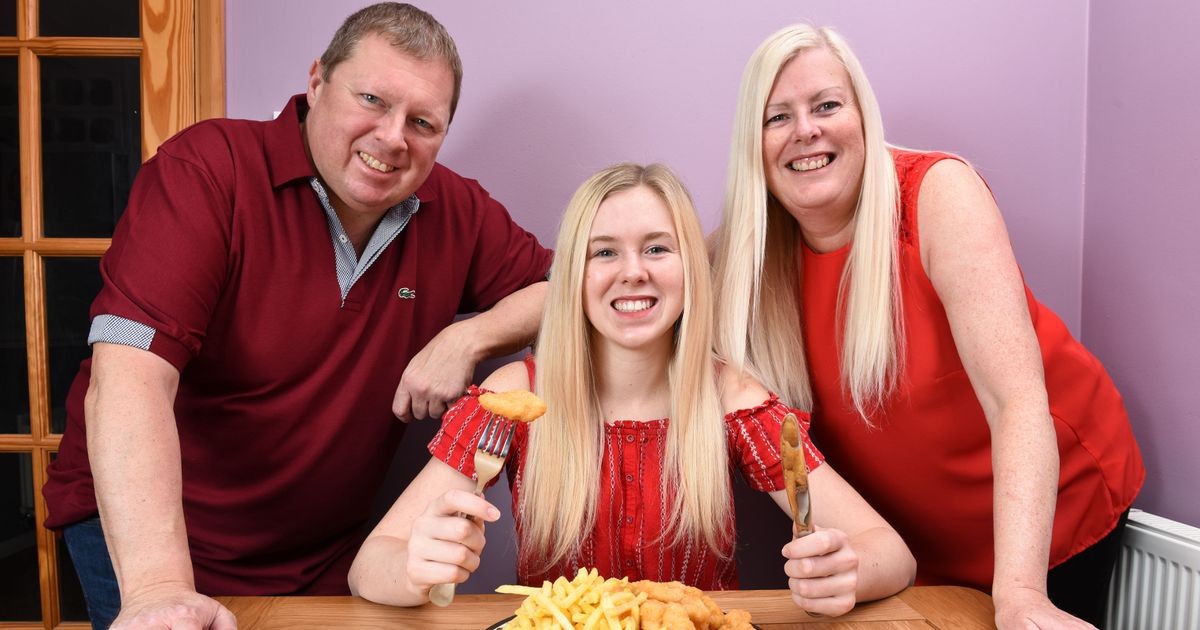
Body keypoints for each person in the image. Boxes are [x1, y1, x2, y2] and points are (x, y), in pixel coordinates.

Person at [41, 4, 553, 629]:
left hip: (320, 548)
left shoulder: (457, 208)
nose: (394, 137)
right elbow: (127, 380)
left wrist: (473, 334)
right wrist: (157, 588)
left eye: (423, 122)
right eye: (372, 98)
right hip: (157, 537)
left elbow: (572, 286)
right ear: (316, 82)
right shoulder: (208, 170)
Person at [710, 24, 1145, 630]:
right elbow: (630, 284)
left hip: (1049, 519)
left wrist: (1020, 594)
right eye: (777, 116)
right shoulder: (743, 256)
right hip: (915, 550)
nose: (805, 130)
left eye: (827, 105)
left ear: (863, 116)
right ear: (751, 144)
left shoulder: (939, 195)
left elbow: (1016, 402)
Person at [347, 162, 916, 615]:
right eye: (604, 252)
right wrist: (415, 567)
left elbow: (890, 552)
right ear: (573, 276)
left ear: (691, 269)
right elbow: (370, 566)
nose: (633, 271)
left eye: (657, 248)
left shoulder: (731, 398)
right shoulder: (513, 395)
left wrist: (845, 570)